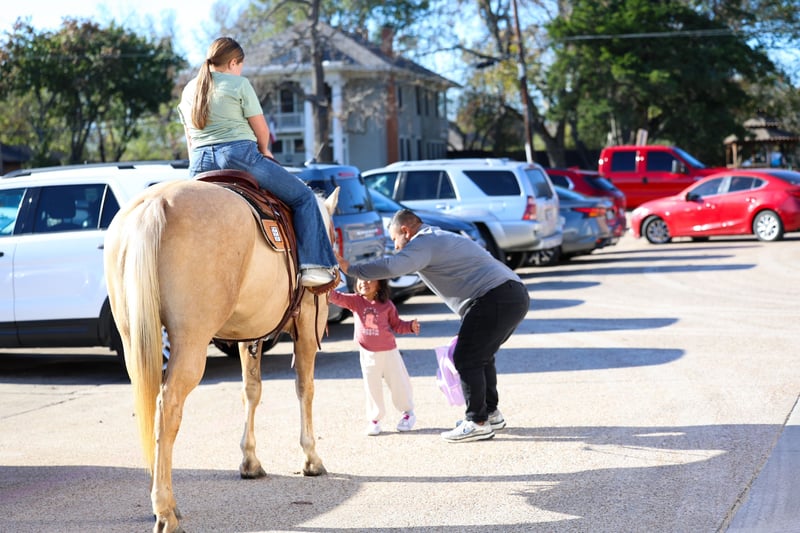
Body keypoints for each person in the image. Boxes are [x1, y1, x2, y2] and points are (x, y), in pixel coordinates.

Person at [337, 209, 529, 443]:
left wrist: (351, 269)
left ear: (406, 231)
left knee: (467, 358)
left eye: (395, 239)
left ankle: (477, 422)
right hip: (512, 294)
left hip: (494, 296)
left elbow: (393, 267)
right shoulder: (439, 237)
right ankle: (489, 414)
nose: (396, 246)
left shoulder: (423, 242)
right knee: (480, 356)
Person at [177, 36, 337, 287]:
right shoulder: (239, 84)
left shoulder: (189, 89)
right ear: (233, 62)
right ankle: (313, 266)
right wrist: (265, 150)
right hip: (239, 157)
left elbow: (189, 138)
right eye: (240, 65)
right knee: (303, 197)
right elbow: (261, 129)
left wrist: (196, 166)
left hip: (199, 162)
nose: (240, 70)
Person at [329, 277, 420, 436]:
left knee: (399, 383)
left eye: (370, 280)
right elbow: (336, 297)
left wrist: (410, 326)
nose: (364, 283)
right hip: (367, 353)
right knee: (372, 387)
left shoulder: (387, 305)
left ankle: (408, 413)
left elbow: (397, 325)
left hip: (389, 351)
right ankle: (374, 420)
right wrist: (325, 286)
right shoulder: (356, 301)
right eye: (361, 279)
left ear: (380, 284)